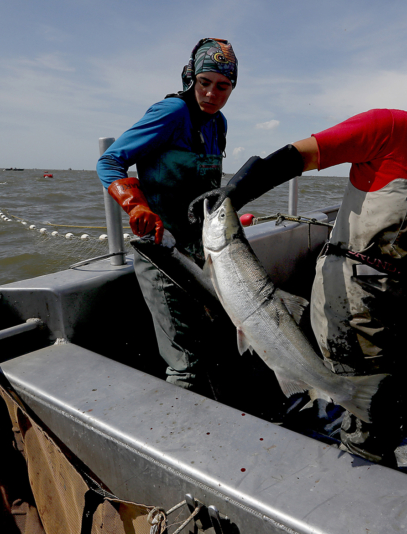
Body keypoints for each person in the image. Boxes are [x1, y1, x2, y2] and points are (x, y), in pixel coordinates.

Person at [191, 57, 407, 464]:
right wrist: (234, 193)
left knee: (404, 397)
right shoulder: (391, 128)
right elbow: (301, 155)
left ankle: (365, 459)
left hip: (398, 301)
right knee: (375, 417)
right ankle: (350, 489)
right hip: (350, 301)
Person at [96, 38, 237, 394]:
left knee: (213, 336)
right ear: (191, 78)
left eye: (223, 86)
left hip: (199, 248)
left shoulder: (218, 124)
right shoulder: (171, 113)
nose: (211, 94)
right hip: (162, 251)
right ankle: (181, 433)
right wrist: (136, 205)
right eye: (205, 83)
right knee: (183, 362)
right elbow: (109, 161)